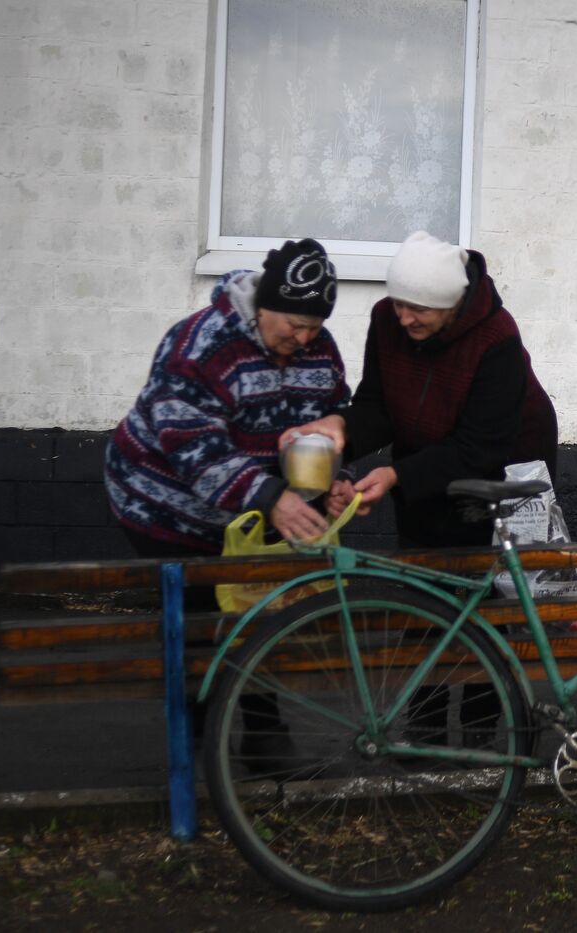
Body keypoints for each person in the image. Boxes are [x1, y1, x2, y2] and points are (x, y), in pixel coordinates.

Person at [291, 230, 558, 745]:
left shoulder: (496, 337)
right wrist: (340, 436)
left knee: (483, 596)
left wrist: (396, 475)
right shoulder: (387, 321)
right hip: (423, 455)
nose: (406, 318)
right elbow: (378, 404)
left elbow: (480, 449)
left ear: (453, 305)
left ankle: (480, 730)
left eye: (420, 310)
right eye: (399, 304)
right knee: (421, 586)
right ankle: (427, 725)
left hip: (503, 462)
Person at [105, 238, 350, 765]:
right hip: (163, 502)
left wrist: (334, 478)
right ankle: (194, 746)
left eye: (314, 326)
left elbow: (326, 423)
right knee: (199, 619)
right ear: (263, 305)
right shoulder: (199, 345)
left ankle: (263, 734)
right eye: (292, 325)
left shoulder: (319, 349)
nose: (303, 337)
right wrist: (272, 498)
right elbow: (196, 451)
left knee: (259, 609)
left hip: (257, 503)